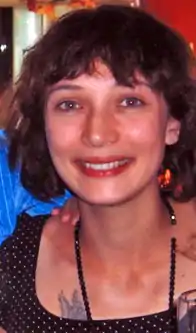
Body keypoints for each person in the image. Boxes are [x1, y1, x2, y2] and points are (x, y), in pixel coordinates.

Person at [1, 4, 196, 332]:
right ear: (44, 126)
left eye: (129, 102)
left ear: (172, 123)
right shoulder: (12, 263)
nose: (97, 133)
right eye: (70, 104)